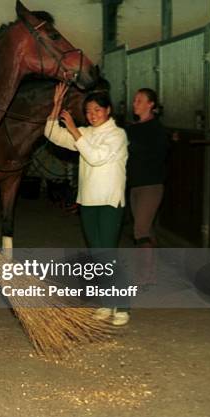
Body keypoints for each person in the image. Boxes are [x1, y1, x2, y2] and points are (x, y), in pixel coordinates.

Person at [44, 83, 130, 326]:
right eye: (89, 111)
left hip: (109, 201)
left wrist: (73, 128)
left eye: (97, 110)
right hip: (89, 200)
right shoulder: (87, 133)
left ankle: (122, 305)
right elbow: (52, 134)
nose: (92, 115)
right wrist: (56, 106)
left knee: (108, 252)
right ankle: (106, 302)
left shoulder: (117, 135)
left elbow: (95, 157)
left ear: (108, 110)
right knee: (97, 254)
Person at [126, 88, 169, 248]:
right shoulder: (131, 128)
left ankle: (143, 271)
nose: (134, 104)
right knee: (145, 229)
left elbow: (158, 154)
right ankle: (152, 267)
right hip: (135, 184)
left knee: (141, 232)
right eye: (134, 100)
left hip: (150, 185)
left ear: (150, 104)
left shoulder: (157, 129)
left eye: (139, 101)